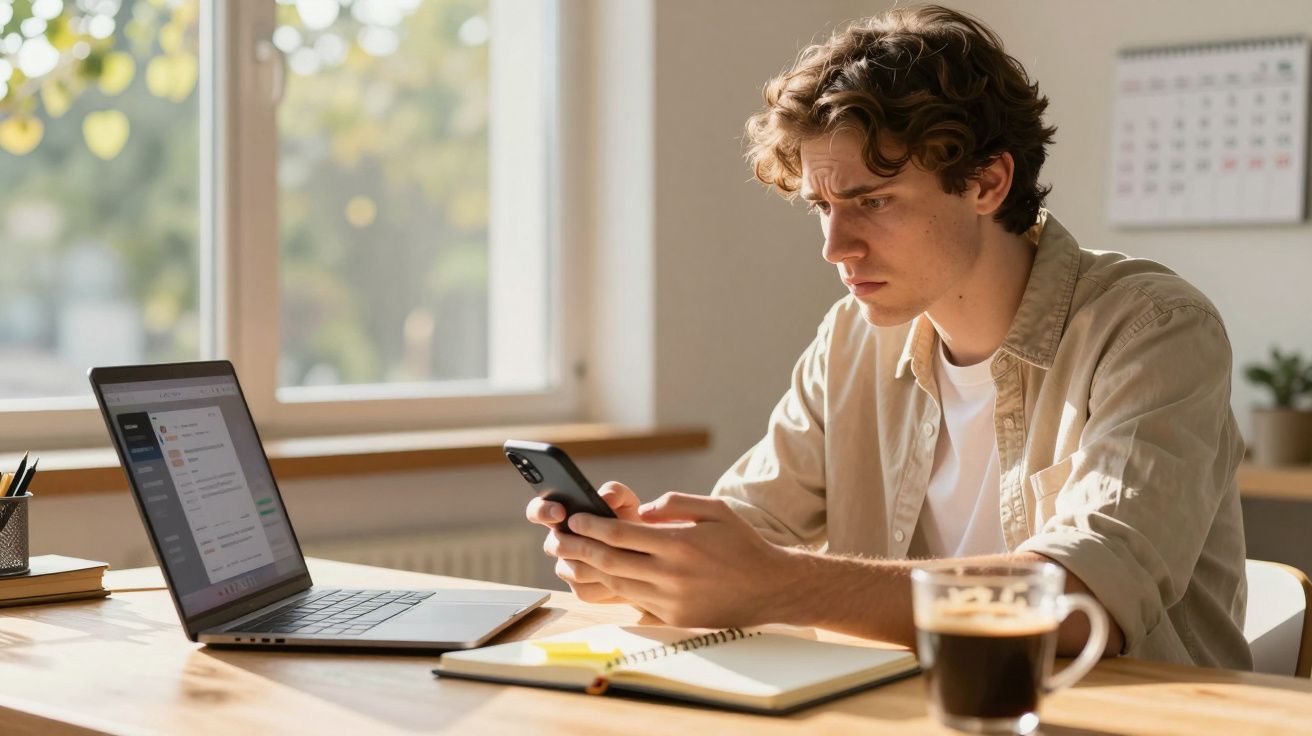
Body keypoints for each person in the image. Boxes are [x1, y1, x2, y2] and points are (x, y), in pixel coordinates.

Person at [527, 4, 1251, 669]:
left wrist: (783, 583)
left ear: (987, 182)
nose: (835, 246)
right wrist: (651, 558)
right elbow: (754, 523)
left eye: (871, 201)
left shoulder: (1154, 328)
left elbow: (1086, 595)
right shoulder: (852, 338)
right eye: (821, 206)